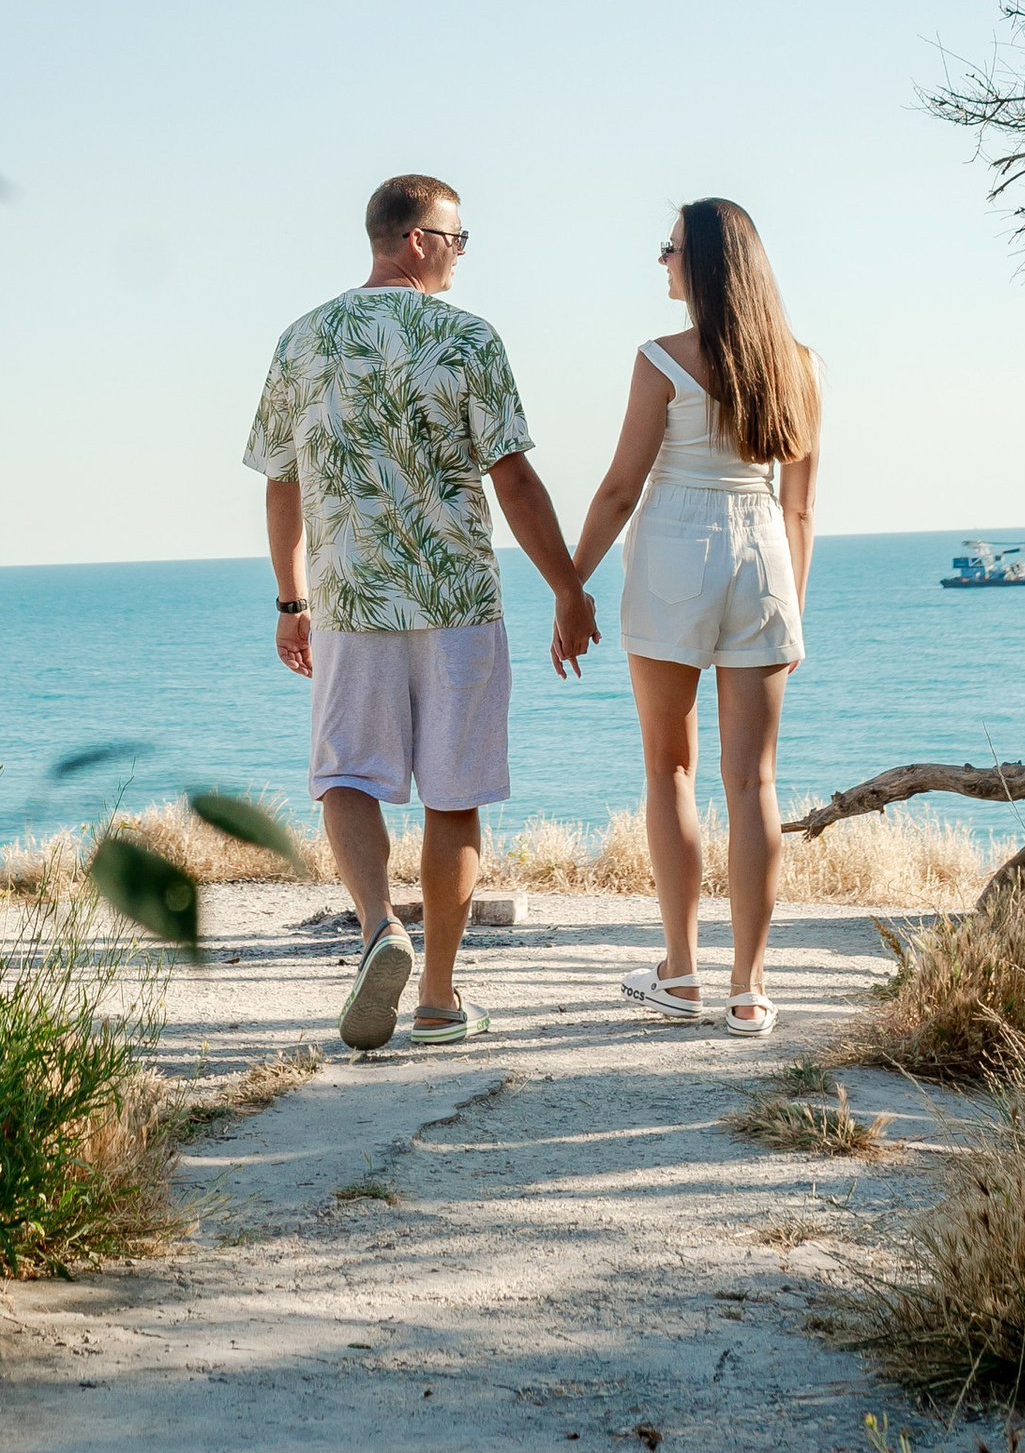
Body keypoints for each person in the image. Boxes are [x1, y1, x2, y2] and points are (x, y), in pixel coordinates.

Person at [248, 173, 598, 1051]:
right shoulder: (469, 338)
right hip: (456, 602)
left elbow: (281, 480)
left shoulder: (301, 338)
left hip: (351, 602)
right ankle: (439, 998)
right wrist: (567, 585)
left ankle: (378, 930)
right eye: (456, 238)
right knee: (455, 792)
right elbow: (511, 477)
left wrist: (293, 599)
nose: (459, 253)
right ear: (416, 240)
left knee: (347, 776)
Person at [564, 198, 820, 1036]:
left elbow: (618, 488)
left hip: (676, 550)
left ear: (700, 263)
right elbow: (802, 509)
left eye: (668, 250)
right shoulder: (800, 365)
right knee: (754, 784)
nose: (662, 263)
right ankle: (749, 988)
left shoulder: (660, 359)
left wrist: (571, 585)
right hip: (764, 563)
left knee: (670, 770)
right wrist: (793, 617)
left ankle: (680, 972)